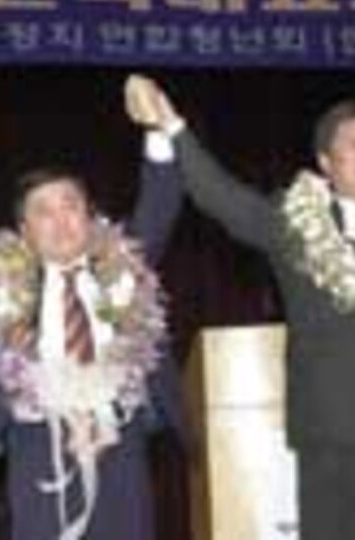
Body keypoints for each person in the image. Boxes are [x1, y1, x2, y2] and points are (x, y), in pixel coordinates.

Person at [0, 87, 183, 540]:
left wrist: (157, 127)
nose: (61, 220)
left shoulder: (123, 265)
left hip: (119, 439)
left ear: (90, 215)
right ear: (24, 231)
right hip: (36, 441)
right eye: (43, 212)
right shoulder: (6, 276)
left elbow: (161, 201)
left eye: (71, 206)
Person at [125, 74, 355, 540]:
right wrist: (171, 124)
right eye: (354, 145)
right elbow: (223, 197)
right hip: (332, 425)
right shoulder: (297, 220)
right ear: (326, 163)